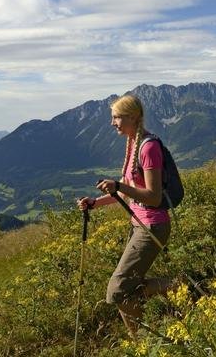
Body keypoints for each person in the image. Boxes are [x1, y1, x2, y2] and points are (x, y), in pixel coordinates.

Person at [76, 94, 172, 338]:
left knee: (118, 290)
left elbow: (152, 196)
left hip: (152, 227)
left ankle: (144, 339)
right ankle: (145, 336)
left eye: (116, 117)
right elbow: (129, 192)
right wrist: (95, 203)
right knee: (128, 286)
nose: (112, 122)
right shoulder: (132, 143)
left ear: (132, 117)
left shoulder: (148, 147)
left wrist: (119, 187)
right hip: (139, 225)